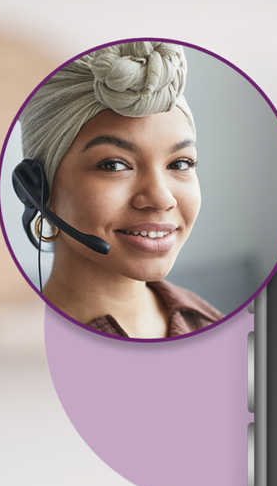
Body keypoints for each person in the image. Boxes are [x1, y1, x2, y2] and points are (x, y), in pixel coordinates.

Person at [14, 40, 219, 339]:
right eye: (114, 165)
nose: (161, 198)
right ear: (36, 189)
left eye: (180, 163)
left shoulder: (207, 321)